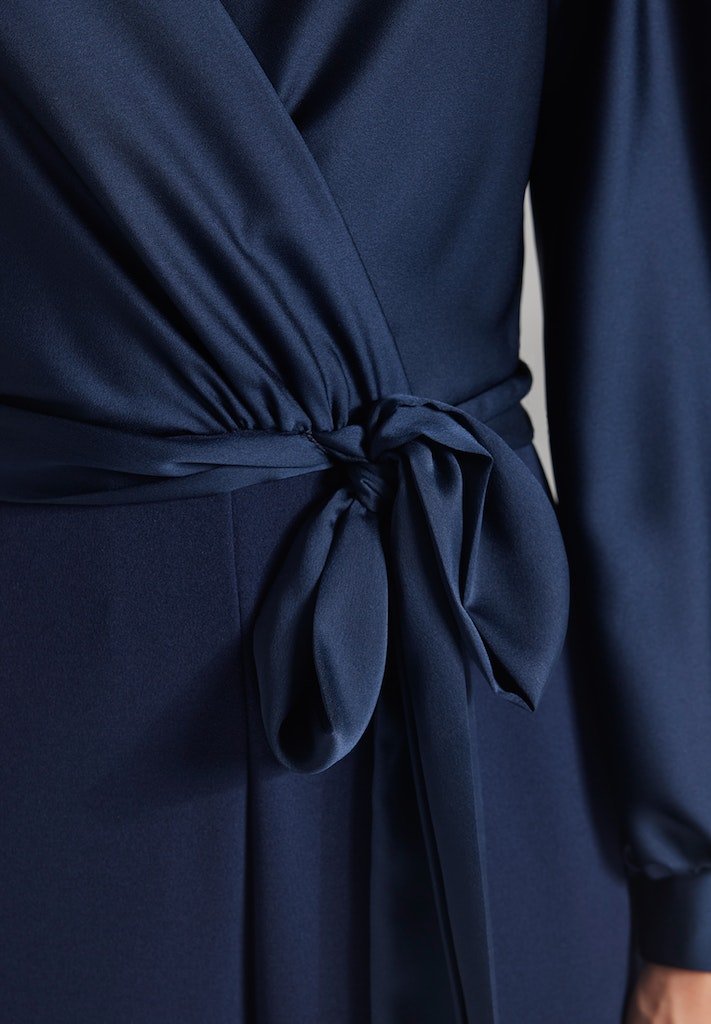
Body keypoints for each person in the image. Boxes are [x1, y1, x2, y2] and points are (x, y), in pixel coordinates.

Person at [0, 2, 709, 1022]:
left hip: (447, 671)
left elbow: (652, 296)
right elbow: (655, 303)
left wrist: (690, 881)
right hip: (94, 736)